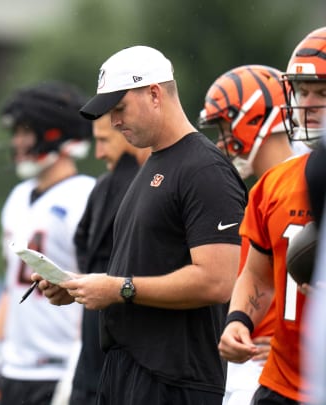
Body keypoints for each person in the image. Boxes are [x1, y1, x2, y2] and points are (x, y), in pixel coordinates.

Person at [36, 46, 247, 404]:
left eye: (119, 108)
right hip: (127, 370)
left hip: (176, 379)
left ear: (154, 93)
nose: (114, 122)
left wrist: (121, 289)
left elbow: (217, 281)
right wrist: (78, 286)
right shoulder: (152, 164)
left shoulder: (205, 170)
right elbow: (140, 267)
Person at [0, 80, 96, 405]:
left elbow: (95, 289)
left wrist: (79, 362)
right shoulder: (18, 198)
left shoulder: (85, 197)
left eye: (26, 131)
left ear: (56, 133)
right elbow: (12, 285)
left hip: (59, 365)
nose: (18, 142)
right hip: (14, 368)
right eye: (16, 132)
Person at [219, 26, 326, 404]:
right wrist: (238, 321)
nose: (309, 103)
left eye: (322, 93)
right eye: (302, 91)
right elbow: (256, 275)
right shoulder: (273, 184)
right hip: (280, 385)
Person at [198, 64, 295, 404]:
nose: (223, 140)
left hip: (284, 369)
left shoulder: (303, 183)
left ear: (253, 118)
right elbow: (255, 276)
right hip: (251, 361)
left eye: (226, 127)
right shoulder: (260, 190)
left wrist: (293, 340)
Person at [67, 112, 149, 405]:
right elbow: (83, 246)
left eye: (104, 141)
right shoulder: (102, 187)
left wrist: (112, 286)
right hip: (92, 357)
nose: (99, 152)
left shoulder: (152, 185)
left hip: (132, 360)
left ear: (127, 131)